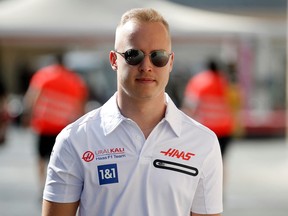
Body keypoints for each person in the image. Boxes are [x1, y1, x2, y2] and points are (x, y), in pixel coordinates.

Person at [42, 8, 223, 216]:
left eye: (158, 56)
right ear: (113, 60)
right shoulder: (74, 139)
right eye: (133, 55)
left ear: (170, 62)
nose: (146, 66)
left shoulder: (203, 142)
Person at [23, 54, 88, 193]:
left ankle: (43, 186)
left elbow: (31, 97)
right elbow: (81, 105)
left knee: (41, 158)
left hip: (44, 125)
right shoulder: (75, 80)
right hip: (64, 127)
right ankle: (59, 187)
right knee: (62, 159)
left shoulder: (43, 75)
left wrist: (27, 116)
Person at [182, 59, 235, 161]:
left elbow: (190, 106)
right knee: (220, 160)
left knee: (203, 161)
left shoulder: (199, 81)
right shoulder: (225, 82)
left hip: (206, 129)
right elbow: (234, 104)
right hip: (225, 128)